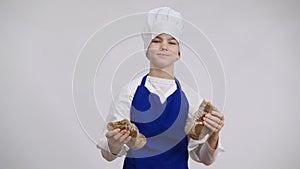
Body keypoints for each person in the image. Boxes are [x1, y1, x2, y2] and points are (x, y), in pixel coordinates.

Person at [97, 7, 225, 169]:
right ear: (147, 50)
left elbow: (204, 158)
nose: (164, 46)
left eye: (172, 42)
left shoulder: (191, 98)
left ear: (179, 53)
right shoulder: (129, 92)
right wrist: (114, 143)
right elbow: (108, 154)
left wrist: (214, 134)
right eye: (157, 41)